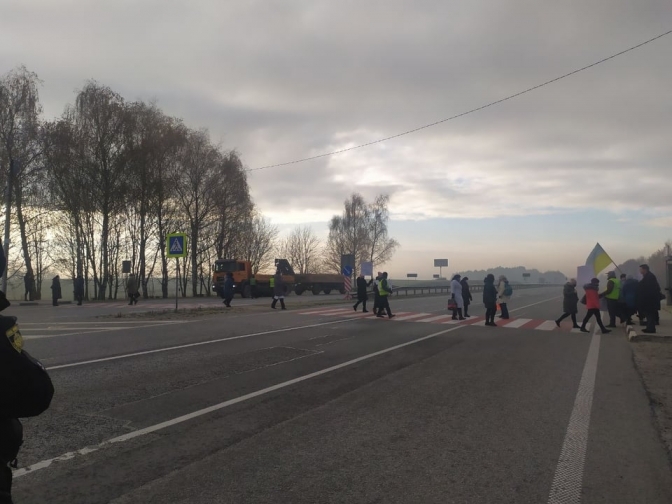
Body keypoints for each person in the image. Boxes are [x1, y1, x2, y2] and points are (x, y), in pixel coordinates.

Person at [637, 264, 661, 334]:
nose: (640, 271)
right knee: (648, 314)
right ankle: (649, 327)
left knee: (650, 314)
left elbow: (649, 288)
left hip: (650, 300)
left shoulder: (650, 277)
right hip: (648, 300)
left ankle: (651, 329)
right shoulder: (647, 276)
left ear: (645, 269)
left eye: (641, 269)